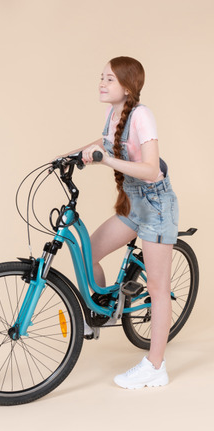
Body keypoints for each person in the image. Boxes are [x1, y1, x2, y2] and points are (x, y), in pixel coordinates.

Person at [59, 56, 179, 389]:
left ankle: (156, 367)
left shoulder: (142, 116)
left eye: (109, 79)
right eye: (101, 77)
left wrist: (107, 160)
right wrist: (67, 156)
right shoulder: (114, 113)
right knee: (89, 253)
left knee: (157, 289)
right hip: (133, 205)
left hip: (156, 205)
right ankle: (100, 311)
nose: (102, 82)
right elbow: (103, 143)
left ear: (126, 87)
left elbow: (152, 169)